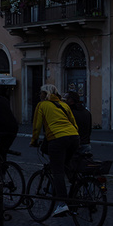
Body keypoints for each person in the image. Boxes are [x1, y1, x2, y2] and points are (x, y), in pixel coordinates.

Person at [30, 84, 79, 217]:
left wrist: (34, 141)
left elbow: (37, 126)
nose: (39, 95)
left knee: (57, 171)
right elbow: (74, 123)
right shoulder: (64, 105)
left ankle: (62, 204)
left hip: (57, 139)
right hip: (74, 137)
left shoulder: (42, 105)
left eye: (40, 93)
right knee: (67, 165)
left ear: (44, 94)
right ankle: (78, 187)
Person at [65, 89, 93, 155]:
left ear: (71, 101)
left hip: (74, 144)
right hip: (86, 143)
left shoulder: (69, 113)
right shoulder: (87, 112)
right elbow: (89, 130)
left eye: (65, 99)